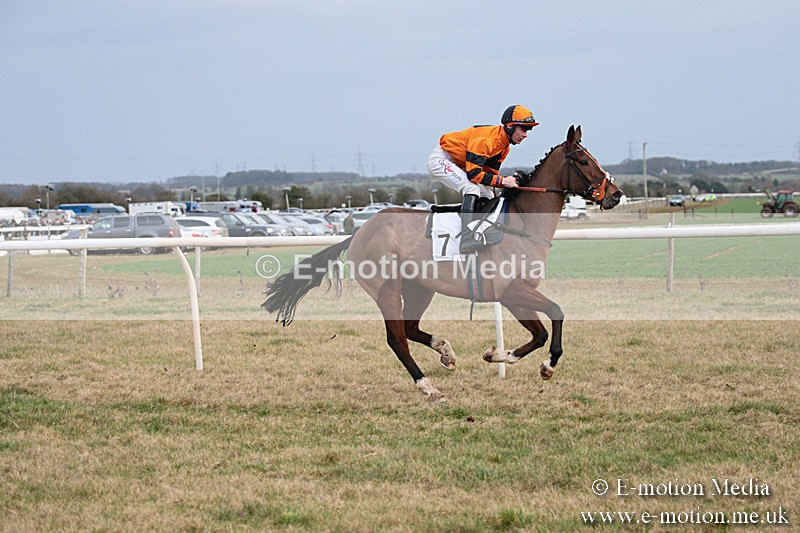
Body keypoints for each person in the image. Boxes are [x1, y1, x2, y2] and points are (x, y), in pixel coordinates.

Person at [427, 104, 538, 253]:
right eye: (524, 129)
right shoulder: (486, 140)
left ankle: (479, 231)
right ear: (511, 126)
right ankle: (466, 239)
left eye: (528, 130)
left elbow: (488, 176)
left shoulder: (504, 148)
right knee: (471, 188)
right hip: (442, 159)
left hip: (462, 164)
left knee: (488, 194)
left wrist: (509, 182)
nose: (526, 135)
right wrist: (503, 181)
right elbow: (473, 175)